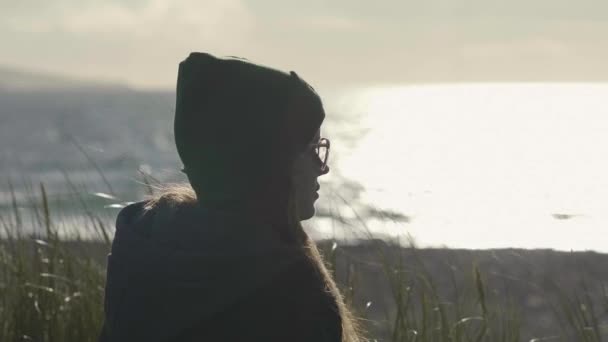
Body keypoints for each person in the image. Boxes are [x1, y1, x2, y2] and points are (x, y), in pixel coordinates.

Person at [99, 52, 364, 342]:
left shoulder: (140, 252)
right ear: (272, 165)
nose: (322, 167)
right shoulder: (293, 292)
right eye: (311, 149)